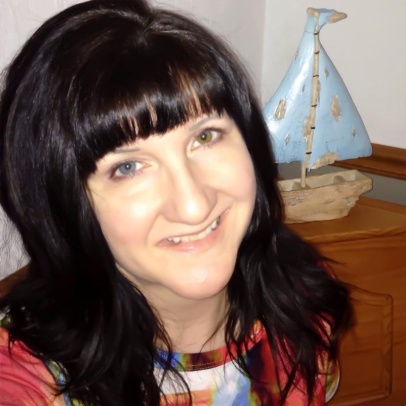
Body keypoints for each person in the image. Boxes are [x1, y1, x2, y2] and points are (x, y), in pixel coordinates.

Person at [0, 0, 352, 404]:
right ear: (60, 204)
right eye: (128, 167)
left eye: (204, 137)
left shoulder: (303, 296)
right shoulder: (27, 371)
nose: (193, 206)